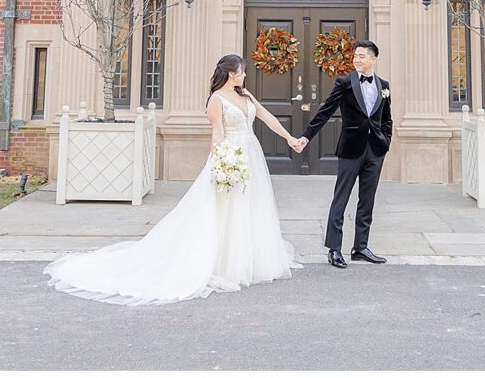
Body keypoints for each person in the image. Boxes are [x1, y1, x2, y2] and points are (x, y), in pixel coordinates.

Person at [44, 54, 302, 305]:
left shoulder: (244, 94)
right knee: (225, 209)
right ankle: (224, 263)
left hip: (250, 154)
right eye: (242, 71)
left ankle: (248, 259)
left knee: (248, 206)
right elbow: (217, 134)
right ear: (231, 73)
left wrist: (289, 138)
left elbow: (266, 116)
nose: (245, 75)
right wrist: (221, 163)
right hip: (231, 155)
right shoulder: (217, 99)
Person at [294, 40, 392, 269]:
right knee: (341, 198)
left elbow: (387, 118)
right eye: (355, 56)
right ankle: (334, 249)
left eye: (361, 56)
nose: (357, 59)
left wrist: (385, 141)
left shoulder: (384, 85)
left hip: (375, 150)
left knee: (367, 200)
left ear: (373, 59)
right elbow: (325, 111)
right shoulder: (345, 82)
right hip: (350, 149)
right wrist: (306, 137)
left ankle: (360, 247)